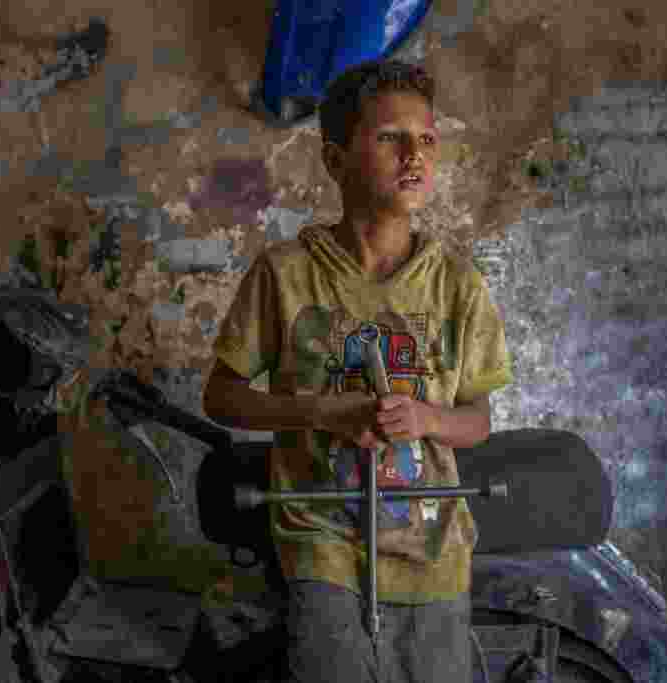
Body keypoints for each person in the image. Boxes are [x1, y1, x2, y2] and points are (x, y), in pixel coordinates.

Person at [202, 58, 514, 683]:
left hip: (431, 544)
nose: (414, 156)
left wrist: (426, 417)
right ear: (336, 159)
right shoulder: (286, 274)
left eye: (426, 139)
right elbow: (223, 396)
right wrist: (323, 411)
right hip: (322, 537)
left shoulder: (455, 285)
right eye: (389, 138)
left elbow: (478, 420)